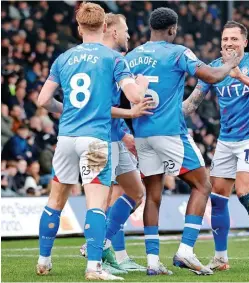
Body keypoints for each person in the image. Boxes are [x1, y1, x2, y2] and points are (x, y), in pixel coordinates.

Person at [35, 2, 148, 281]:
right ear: (105, 27)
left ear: (79, 26)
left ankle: (44, 261)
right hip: (95, 141)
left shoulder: (63, 58)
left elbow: (42, 100)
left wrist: (69, 109)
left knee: (55, 201)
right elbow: (134, 97)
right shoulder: (113, 59)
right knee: (96, 204)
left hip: (66, 139)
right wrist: (141, 86)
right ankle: (94, 268)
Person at [125, 7, 240, 276]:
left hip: (142, 133)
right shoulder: (178, 52)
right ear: (173, 29)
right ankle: (186, 250)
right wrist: (230, 64)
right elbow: (210, 76)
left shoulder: (132, 56)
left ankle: (152, 261)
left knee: (153, 195)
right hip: (170, 132)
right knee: (203, 184)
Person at [183, 21, 249, 273]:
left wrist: (241, 76)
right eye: (225, 39)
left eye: (234, 39)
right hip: (226, 140)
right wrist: (159, 112)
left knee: (245, 192)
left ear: (244, 42)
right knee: (217, 198)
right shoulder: (214, 68)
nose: (229, 43)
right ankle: (220, 257)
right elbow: (192, 103)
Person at [79, 13, 151, 274]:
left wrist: (123, 134)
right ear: (110, 30)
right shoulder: (106, 60)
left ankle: (112, 250)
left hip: (113, 136)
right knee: (103, 199)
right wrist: (139, 92)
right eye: (126, 30)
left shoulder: (111, 60)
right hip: (97, 140)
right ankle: (97, 252)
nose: (129, 35)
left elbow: (111, 104)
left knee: (135, 192)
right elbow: (100, 107)